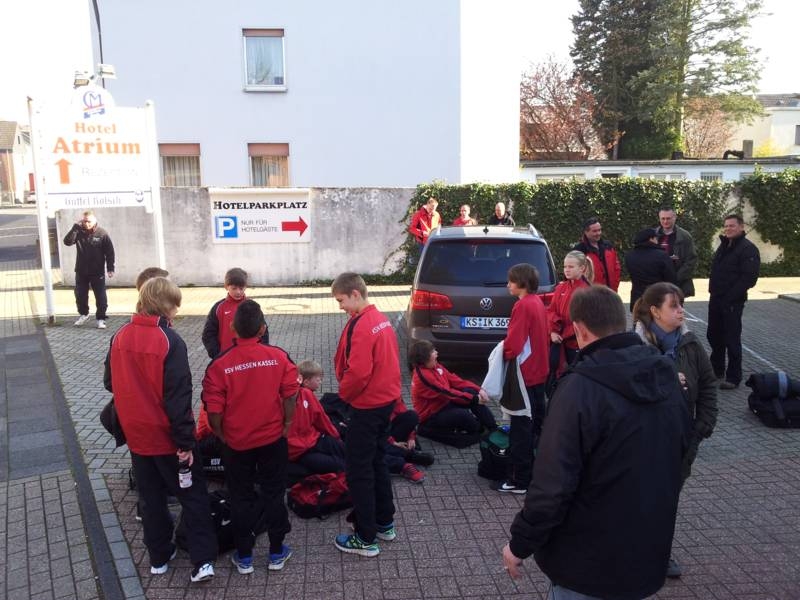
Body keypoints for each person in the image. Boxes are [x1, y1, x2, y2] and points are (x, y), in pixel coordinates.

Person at [502, 285, 691, 600]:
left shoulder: (579, 389)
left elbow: (551, 485)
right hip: (645, 553)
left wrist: (519, 544)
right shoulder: (666, 375)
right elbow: (682, 447)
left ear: (579, 329)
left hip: (585, 565)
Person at [104, 277, 216, 583]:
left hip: (136, 436)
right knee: (192, 495)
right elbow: (178, 397)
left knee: (150, 497)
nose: (178, 310)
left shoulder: (120, 336)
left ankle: (158, 557)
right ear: (165, 305)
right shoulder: (169, 341)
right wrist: (185, 442)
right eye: (175, 304)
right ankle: (202, 560)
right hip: (167, 437)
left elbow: (109, 382)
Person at [202, 299, 299, 574]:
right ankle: (277, 552)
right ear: (262, 329)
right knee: (274, 493)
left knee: (240, 497)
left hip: (236, 443)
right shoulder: (279, 356)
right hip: (272, 440)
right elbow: (290, 394)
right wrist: (287, 423)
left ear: (233, 328)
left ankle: (244, 557)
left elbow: (213, 410)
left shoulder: (219, 365)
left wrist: (221, 435)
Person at [633, 282, 718, 578]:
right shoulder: (634, 348)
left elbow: (708, 386)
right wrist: (665, 380)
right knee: (638, 499)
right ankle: (631, 551)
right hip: (642, 442)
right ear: (655, 311)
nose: (682, 310)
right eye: (674, 305)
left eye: (681, 304)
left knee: (667, 501)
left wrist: (701, 429)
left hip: (681, 440)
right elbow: (627, 393)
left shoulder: (691, 345)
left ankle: (659, 554)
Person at [331, 272, 400, 557]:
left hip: (366, 407)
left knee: (359, 471)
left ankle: (365, 537)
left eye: (341, 300)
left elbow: (358, 372)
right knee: (377, 463)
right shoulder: (381, 319)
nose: (340, 307)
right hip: (385, 404)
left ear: (355, 294)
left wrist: (344, 397)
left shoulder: (361, 325)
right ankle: (384, 523)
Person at [496, 263, 549, 494]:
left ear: (522, 283)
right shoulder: (537, 302)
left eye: (511, 281)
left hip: (524, 374)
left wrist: (502, 354)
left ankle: (519, 480)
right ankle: (537, 473)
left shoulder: (522, 306)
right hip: (539, 371)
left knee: (520, 428)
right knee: (536, 425)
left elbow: (514, 344)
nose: (508, 284)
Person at [707, 214, 760, 390]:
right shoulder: (724, 245)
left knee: (731, 338)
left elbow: (749, 278)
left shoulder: (748, 249)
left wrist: (730, 297)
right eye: (726, 226)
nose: (728, 228)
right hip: (716, 299)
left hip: (731, 302)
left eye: (732, 226)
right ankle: (717, 369)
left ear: (741, 227)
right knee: (714, 335)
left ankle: (733, 376)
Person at [410, 340, 497, 440]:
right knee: (464, 416)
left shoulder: (435, 366)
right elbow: (447, 393)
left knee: (471, 392)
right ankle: (479, 429)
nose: (436, 353)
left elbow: (455, 381)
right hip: (431, 415)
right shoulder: (423, 376)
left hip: (443, 404)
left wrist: (479, 390)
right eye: (433, 351)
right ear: (425, 358)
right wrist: (474, 399)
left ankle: (493, 427)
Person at [288, 360, 346, 474]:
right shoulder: (306, 394)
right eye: (318, 379)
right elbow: (322, 420)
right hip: (304, 448)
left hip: (305, 445)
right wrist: (336, 435)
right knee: (343, 459)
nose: (320, 382)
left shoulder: (288, 396)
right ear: (306, 381)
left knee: (341, 459)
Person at [546, 251, 593, 393]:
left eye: (571, 267)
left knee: (575, 378)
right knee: (556, 376)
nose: (567, 270)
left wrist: (563, 334)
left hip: (575, 343)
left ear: (582, 268)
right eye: (565, 266)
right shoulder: (561, 287)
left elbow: (584, 320)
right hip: (559, 342)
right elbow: (551, 311)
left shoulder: (587, 291)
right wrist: (553, 331)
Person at [201, 267, 269, 359]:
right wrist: (217, 355)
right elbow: (208, 334)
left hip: (250, 358)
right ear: (226, 287)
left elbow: (263, 331)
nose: (238, 292)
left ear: (246, 287)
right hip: (226, 358)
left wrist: (261, 352)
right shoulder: (219, 308)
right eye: (234, 288)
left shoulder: (252, 306)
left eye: (241, 288)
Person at [64, 209, 115, 329]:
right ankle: (84, 314)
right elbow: (67, 242)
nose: (87, 224)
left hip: (97, 272)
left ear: (94, 221)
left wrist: (110, 268)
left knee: (101, 296)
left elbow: (110, 252)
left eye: (89, 221)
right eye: (84, 221)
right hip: (81, 271)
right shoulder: (78, 232)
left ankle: (101, 318)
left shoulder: (102, 234)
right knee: (80, 294)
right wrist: (75, 228)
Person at [625, 227, 677, 310]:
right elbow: (671, 279)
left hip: (638, 299)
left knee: (640, 322)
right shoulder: (662, 255)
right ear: (651, 239)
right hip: (658, 299)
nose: (657, 240)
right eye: (656, 238)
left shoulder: (629, 256)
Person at [656, 207, 698, 297]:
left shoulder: (685, 236)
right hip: (657, 283)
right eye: (663, 218)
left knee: (675, 309)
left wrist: (676, 278)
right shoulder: (653, 235)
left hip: (678, 284)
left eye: (668, 218)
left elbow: (691, 260)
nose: (665, 221)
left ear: (674, 218)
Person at [573, 217, 620, 291]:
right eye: (594, 231)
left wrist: (615, 286)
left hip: (610, 292)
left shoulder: (608, 246)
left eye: (599, 230)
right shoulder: (579, 250)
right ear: (586, 232)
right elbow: (574, 274)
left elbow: (616, 268)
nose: (598, 233)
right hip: (591, 295)